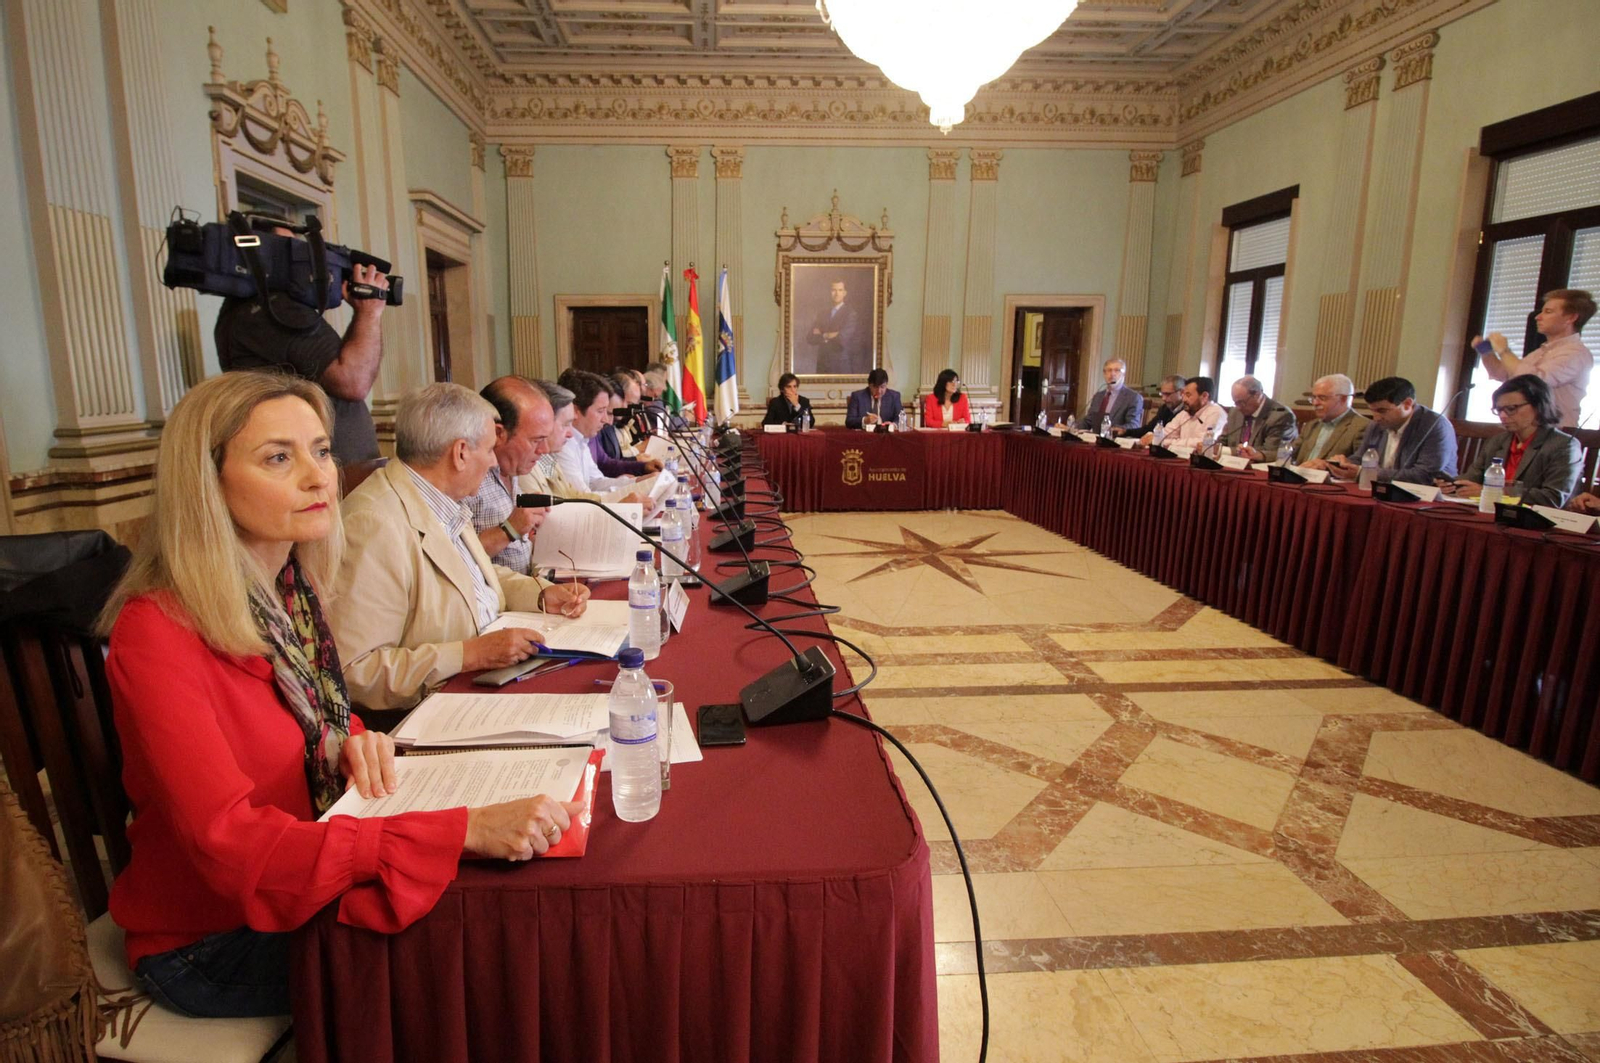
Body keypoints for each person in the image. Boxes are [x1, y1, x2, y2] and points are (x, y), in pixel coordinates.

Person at [97, 372, 581, 1019]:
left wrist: (354, 740)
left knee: (510, 924)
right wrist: (455, 829)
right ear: (206, 482)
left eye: (322, 450)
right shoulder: (156, 629)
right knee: (488, 960)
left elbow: (316, 720)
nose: (318, 475)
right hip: (213, 938)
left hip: (305, 873)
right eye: (278, 456)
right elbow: (230, 847)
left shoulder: (288, 592)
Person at [331, 383, 590, 711]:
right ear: (461, 452)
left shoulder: (440, 497)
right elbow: (355, 673)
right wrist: (470, 654)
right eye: (489, 450)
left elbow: (472, 575)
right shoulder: (373, 524)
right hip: (437, 709)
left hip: (486, 683)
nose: (494, 462)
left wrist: (539, 593)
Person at [214, 217, 388, 468]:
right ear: (259, 251)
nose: (298, 258)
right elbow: (353, 380)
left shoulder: (242, 311)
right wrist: (370, 311)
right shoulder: (272, 311)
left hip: (321, 466)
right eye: (288, 249)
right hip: (326, 472)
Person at [1439, 375, 1581, 508]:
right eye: (1498, 410)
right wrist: (1452, 485)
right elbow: (1471, 479)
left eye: (1511, 409)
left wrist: (1491, 493)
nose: (1502, 415)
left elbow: (1552, 498)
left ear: (1538, 406)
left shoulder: (1564, 445)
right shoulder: (1497, 441)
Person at [468, 377, 558, 576]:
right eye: (537, 440)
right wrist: (509, 530)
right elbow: (454, 558)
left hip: (526, 587)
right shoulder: (468, 477)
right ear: (499, 434)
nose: (544, 450)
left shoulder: (512, 466)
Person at [1475, 289, 1594, 428]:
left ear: (1571, 318)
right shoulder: (1540, 352)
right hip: (1527, 432)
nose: (1538, 317)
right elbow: (1503, 374)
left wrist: (1504, 350)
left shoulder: (1576, 353)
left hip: (1555, 435)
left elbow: (1534, 382)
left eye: (1548, 312)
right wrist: (1486, 351)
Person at [522, 382, 651, 507]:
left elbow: (575, 496)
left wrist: (635, 485)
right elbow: (555, 517)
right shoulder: (530, 464)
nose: (606, 420)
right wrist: (621, 504)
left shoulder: (550, 458)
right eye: (566, 424)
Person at [1321, 376, 1457, 485]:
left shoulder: (1434, 426)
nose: (1376, 417)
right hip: (1381, 490)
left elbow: (1423, 475)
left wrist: (1364, 473)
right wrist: (1344, 464)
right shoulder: (1376, 424)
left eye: (1382, 411)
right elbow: (1361, 458)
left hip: (1428, 496)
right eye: (1372, 411)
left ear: (1407, 404)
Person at [555, 369, 649, 494]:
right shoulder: (562, 444)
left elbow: (595, 481)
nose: (607, 421)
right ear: (575, 411)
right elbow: (583, 497)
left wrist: (639, 482)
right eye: (600, 411)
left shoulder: (582, 439)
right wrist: (626, 496)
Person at [1292, 374, 1368, 465]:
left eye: (1322, 398)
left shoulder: (1362, 427)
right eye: (1314, 398)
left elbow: (1359, 465)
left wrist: (1326, 466)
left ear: (1343, 399)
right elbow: (1289, 454)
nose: (1315, 403)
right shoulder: (1312, 425)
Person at [594, 375, 662, 477]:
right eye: (629, 403)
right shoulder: (599, 430)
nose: (608, 420)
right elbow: (604, 468)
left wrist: (643, 467)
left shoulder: (611, 425)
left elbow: (607, 464)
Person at [1218, 375, 1298, 461]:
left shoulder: (1280, 416)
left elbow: (1271, 452)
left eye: (1241, 402)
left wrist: (1228, 451)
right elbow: (1222, 441)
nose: (1238, 407)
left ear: (1257, 395)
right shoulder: (1235, 412)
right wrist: (1213, 447)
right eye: (1235, 403)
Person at [803, 278, 866, 374]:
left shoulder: (850, 314)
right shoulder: (822, 314)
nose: (837, 294)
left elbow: (842, 338)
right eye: (834, 290)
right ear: (830, 292)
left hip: (840, 366)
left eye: (840, 290)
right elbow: (810, 338)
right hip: (822, 365)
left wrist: (822, 334)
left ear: (845, 293)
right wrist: (830, 334)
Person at [1140, 375, 1223, 447]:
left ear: (1204, 396)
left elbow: (1203, 443)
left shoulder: (1216, 413)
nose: (1184, 399)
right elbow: (1166, 433)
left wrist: (1165, 442)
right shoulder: (1186, 413)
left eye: (1188, 395)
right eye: (1183, 395)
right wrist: (1152, 437)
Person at [1076, 358, 1144, 434]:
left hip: (1116, 441)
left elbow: (1133, 425)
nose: (1112, 374)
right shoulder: (1098, 396)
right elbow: (1089, 421)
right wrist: (1071, 428)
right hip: (1094, 440)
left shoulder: (1133, 397)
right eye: (1109, 370)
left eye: (1117, 370)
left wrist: (1113, 430)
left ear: (1123, 374)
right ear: (1104, 374)